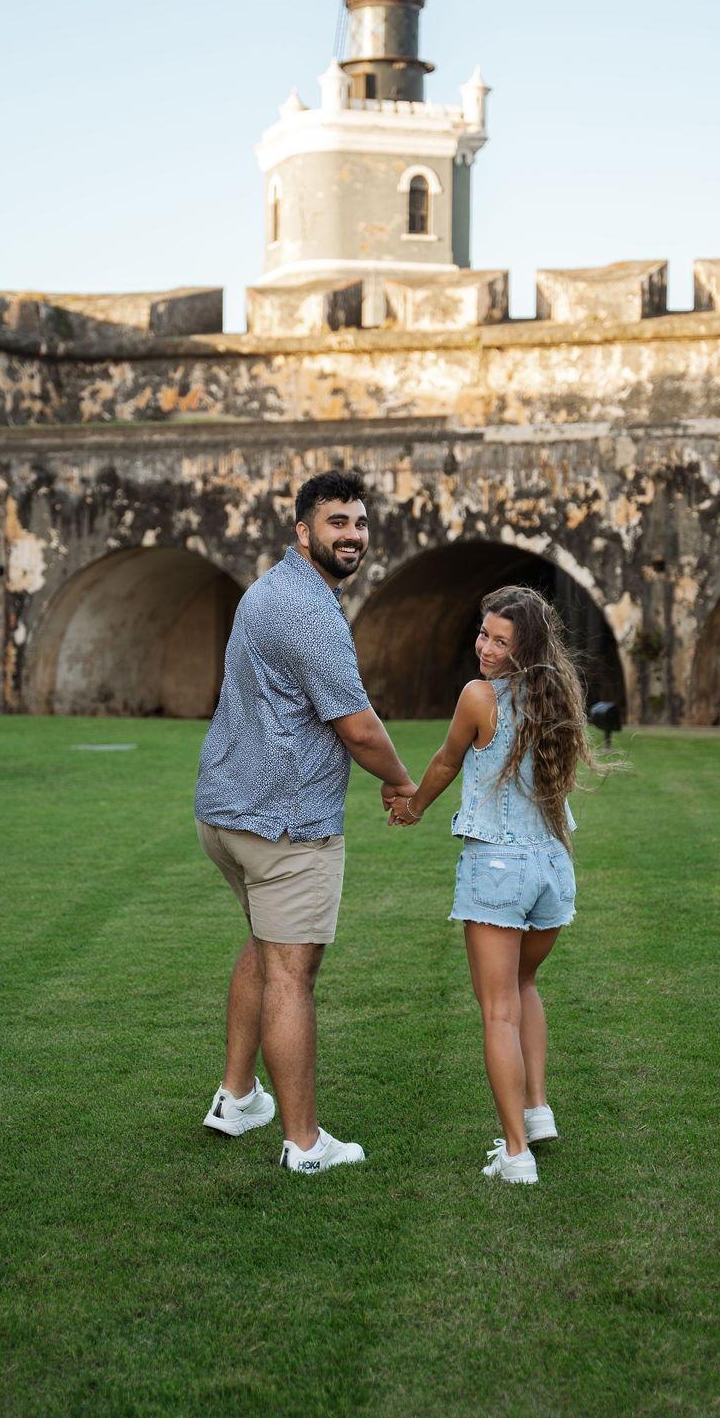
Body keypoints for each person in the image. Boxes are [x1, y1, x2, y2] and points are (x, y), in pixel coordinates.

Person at [194, 470, 418, 1174]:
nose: (352, 535)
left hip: (227, 815)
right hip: (287, 825)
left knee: (266, 948)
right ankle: (305, 1143)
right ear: (303, 532)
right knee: (293, 974)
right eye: (336, 523)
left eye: (359, 523)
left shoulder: (267, 589)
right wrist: (402, 782)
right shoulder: (311, 612)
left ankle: (237, 1097)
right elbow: (358, 727)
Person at [388, 585, 603, 1185]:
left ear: (524, 647)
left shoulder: (478, 697)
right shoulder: (559, 696)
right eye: (483, 634)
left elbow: (446, 760)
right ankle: (537, 1110)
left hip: (498, 870)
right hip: (554, 867)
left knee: (498, 1012)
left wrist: (412, 808)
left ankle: (515, 1154)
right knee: (524, 985)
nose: (484, 648)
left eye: (500, 641)